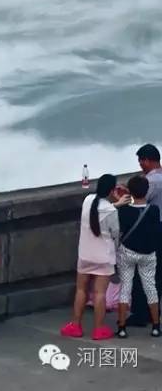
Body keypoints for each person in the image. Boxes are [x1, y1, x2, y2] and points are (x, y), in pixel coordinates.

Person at [60, 174, 128, 341]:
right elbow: (115, 233)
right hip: (104, 257)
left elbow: (98, 209)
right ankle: (98, 329)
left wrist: (115, 203)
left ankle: (75, 325)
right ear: (112, 190)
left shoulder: (87, 200)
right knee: (99, 293)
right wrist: (117, 203)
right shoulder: (111, 211)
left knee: (81, 289)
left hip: (85, 254)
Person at [116, 174, 161, 338]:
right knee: (151, 288)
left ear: (131, 192)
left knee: (125, 288)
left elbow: (119, 231)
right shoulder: (154, 211)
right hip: (148, 254)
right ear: (147, 190)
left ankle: (121, 328)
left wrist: (119, 198)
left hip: (127, 252)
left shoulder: (124, 211)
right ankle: (156, 326)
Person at [128, 144, 162, 326]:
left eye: (141, 160)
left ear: (147, 160)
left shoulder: (153, 181)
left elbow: (138, 200)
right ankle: (155, 309)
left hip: (153, 230)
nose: (140, 164)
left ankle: (142, 313)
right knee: (158, 273)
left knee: (144, 273)